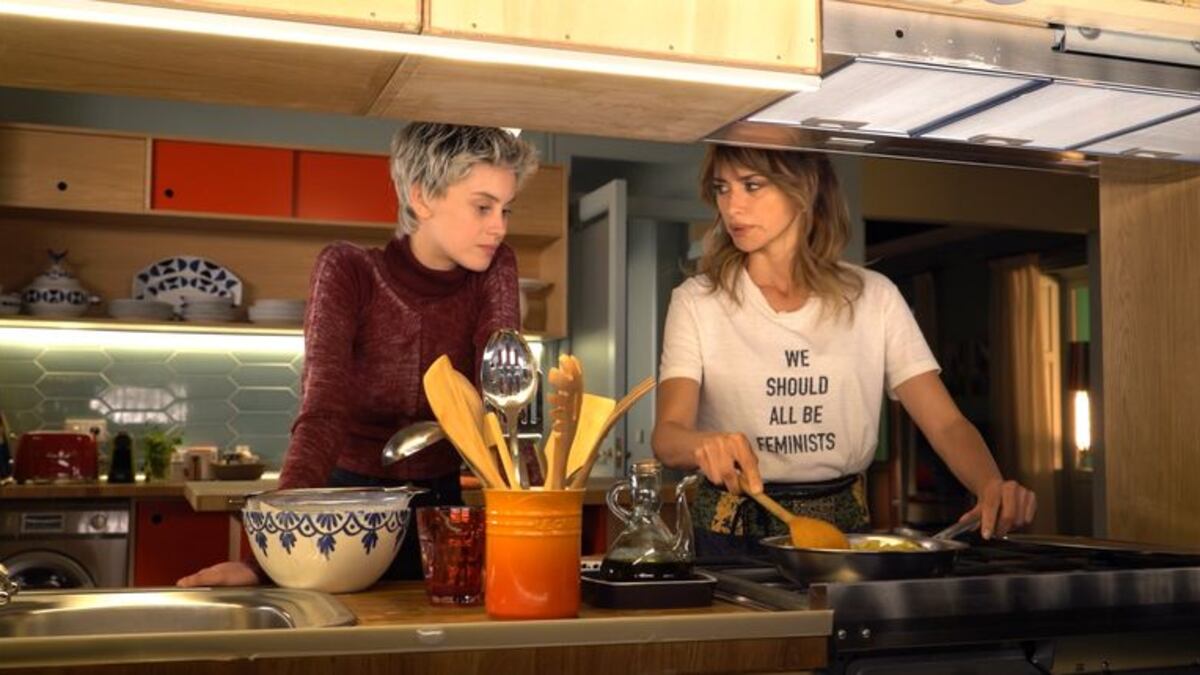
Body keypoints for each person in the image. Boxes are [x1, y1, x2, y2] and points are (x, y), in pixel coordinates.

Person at [178, 123, 538, 586]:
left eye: (506, 209)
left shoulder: (494, 267)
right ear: (422, 197)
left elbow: (504, 401)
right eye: (483, 207)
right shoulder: (349, 270)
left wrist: (537, 518)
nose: (499, 227)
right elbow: (322, 413)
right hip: (341, 510)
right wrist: (264, 561)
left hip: (441, 512)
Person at [651, 145, 1035, 557]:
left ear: (804, 190)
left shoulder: (875, 297)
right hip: (728, 541)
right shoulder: (697, 301)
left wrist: (990, 483)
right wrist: (702, 443)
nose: (732, 206)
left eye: (752, 185)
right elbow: (668, 435)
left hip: (844, 539)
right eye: (722, 188)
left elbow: (946, 424)